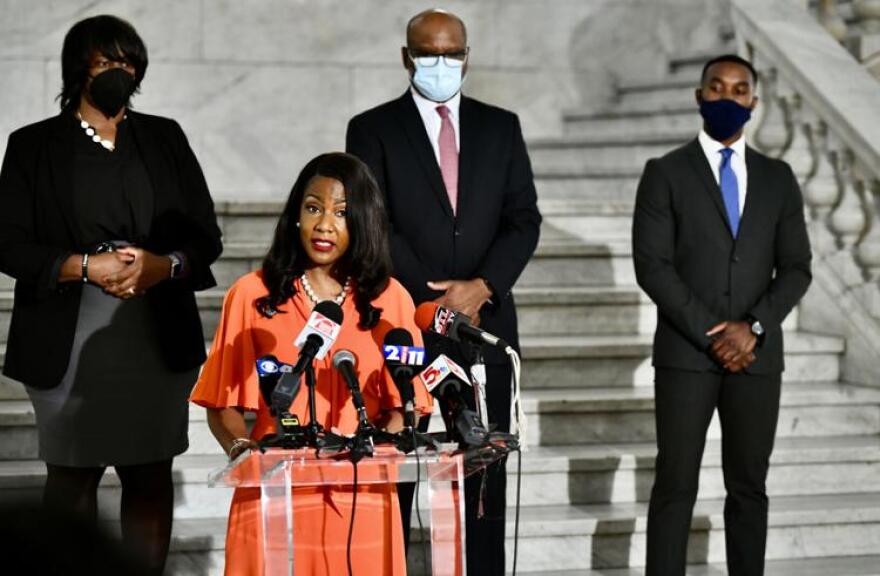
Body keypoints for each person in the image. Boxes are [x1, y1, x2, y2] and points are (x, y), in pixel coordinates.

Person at [0, 15, 222, 575]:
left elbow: (204, 237)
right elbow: (8, 245)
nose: (118, 73)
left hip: (153, 330)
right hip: (68, 333)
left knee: (149, 473)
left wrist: (163, 265)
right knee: (72, 474)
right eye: (105, 62)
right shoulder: (33, 145)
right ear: (79, 70)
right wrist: (83, 265)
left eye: (128, 62)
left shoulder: (164, 136)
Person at [346, 9, 542, 575]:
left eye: (452, 53)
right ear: (407, 57)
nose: (442, 64)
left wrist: (482, 286)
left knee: (483, 474)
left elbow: (523, 219)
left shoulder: (500, 126)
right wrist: (430, 301)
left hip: (484, 326)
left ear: (467, 56)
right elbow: (372, 221)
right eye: (429, 54)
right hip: (404, 324)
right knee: (398, 470)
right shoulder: (373, 128)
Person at [191, 152, 432, 575]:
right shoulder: (252, 295)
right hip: (272, 492)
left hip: (362, 500)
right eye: (313, 208)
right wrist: (241, 449)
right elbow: (221, 402)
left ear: (364, 220)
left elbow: (405, 406)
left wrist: (376, 448)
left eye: (341, 212)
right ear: (296, 215)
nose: (324, 224)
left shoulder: (391, 299)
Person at [632, 54, 812, 576]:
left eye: (739, 90)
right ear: (699, 96)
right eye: (717, 87)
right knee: (675, 485)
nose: (727, 98)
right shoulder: (664, 172)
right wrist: (714, 333)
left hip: (757, 359)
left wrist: (752, 327)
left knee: (749, 488)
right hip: (686, 356)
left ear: (753, 103)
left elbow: (797, 267)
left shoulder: (778, 178)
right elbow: (652, 265)